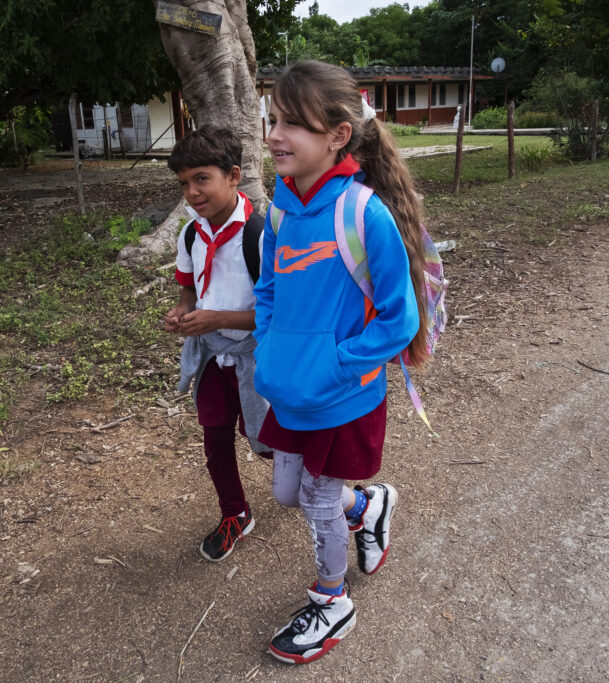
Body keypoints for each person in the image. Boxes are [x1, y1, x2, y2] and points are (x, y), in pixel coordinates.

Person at [253, 61, 430, 664]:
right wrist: (270, 344)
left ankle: (332, 602)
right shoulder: (279, 209)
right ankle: (370, 504)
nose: (275, 135)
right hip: (291, 387)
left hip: (341, 395)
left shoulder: (363, 214)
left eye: (292, 124)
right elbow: (269, 286)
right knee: (286, 493)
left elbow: (399, 321)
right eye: (272, 119)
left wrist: (336, 363)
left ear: (336, 136)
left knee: (318, 499)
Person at [164, 127, 271, 563]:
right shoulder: (191, 235)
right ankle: (235, 512)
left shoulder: (261, 236)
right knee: (215, 439)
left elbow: (278, 316)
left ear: (233, 175)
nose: (192, 192)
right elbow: (189, 290)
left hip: (256, 359)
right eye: (184, 183)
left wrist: (219, 318)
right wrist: (183, 312)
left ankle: (325, 497)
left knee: (269, 443)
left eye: (201, 179)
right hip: (211, 356)